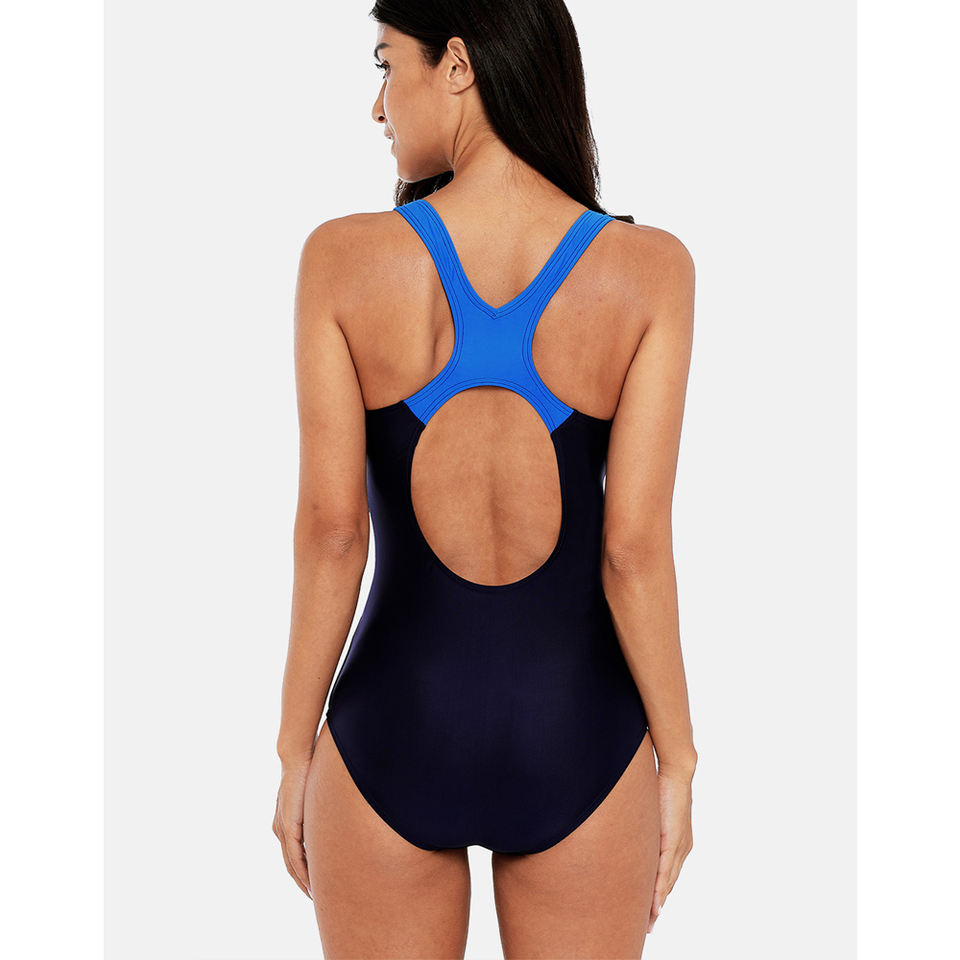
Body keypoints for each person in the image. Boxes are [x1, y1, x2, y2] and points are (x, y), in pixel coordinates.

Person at [274, 2, 697, 956]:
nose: (378, 105)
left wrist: (296, 749)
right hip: (579, 736)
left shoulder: (342, 260)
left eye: (387, 65)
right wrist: (677, 757)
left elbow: (333, 533)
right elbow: (633, 552)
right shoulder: (649, 272)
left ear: (457, 65)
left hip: (392, 730)